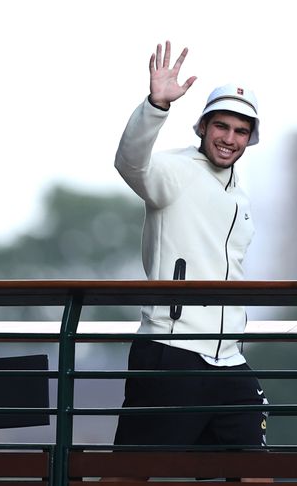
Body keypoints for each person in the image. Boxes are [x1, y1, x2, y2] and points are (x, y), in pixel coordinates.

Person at [113, 41, 269, 447]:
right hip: (171, 350)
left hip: (229, 359)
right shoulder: (175, 170)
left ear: (249, 139)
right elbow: (130, 163)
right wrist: (155, 106)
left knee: (252, 478)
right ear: (202, 126)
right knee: (131, 477)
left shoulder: (240, 195)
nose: (229, 138)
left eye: (240, 131)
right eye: (221, 126)